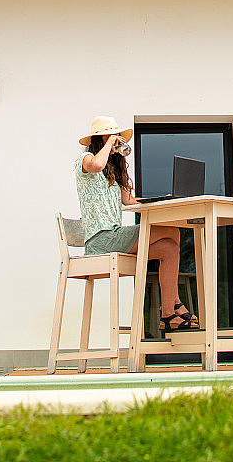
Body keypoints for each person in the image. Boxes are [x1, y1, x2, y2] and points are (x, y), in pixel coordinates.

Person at [75, 115, 199, 331]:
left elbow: (129, 201)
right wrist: (109, 145)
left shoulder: (110, 172)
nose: (116, 142)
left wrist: (163, 199)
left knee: (170, 245)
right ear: (99, 140)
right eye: (111, 137)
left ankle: (169, 313)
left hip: (115, 237)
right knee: (170, 230)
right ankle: (175, 306)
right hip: (100, 240)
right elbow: (95, 164)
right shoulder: (85, 160)